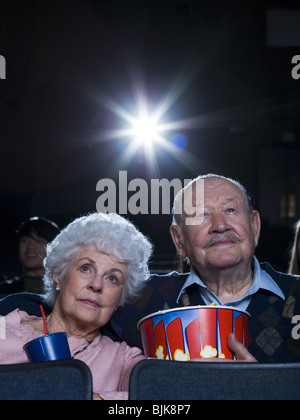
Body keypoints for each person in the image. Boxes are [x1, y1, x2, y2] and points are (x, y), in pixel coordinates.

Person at [111, 174, 300, 362]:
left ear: (254, 226)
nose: (220, 225)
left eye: (231, 210)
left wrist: (260, 384)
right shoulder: (140, 298)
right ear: (179, 240)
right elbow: (84, 340)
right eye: (201, 214)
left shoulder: (296, 295)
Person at [0, 212, 152, 400]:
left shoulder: (124, 359)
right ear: (58, 275)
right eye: (86, 268)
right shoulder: (5, 326)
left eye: (112, 278)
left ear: (121, 298)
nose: (96, 285)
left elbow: (160, 400)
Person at [0, 217, 60, 295]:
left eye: (39, 241)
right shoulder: (5, 290)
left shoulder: (64, 288)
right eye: (24, 240)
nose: (30, 246)